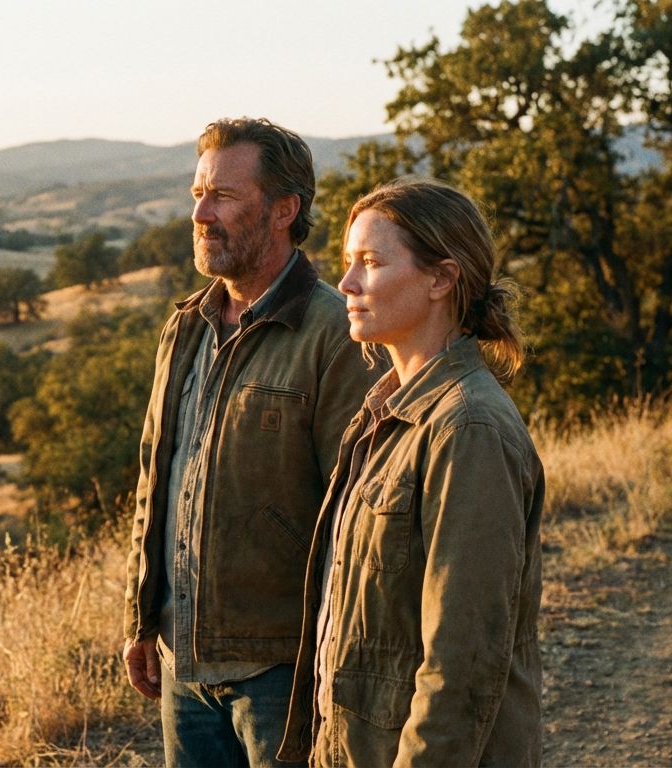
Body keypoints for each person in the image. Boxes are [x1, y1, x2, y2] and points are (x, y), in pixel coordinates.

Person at [121, 117, 385, 767]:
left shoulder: (336, 334)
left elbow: (359, 518)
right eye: (197, 195)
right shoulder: (186, 325)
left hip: (282, 672)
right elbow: (156, 478)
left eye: (222, 196)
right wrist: (140, 618)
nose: (200, 214)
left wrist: (339, 664)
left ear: (283, 210)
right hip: (181, 665)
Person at [277, 177, 544, 767]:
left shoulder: (467, 428)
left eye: (371, 263)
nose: (346, 283)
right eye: (348, 261)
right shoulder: (385, 411)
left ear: (441, 279)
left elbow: (463, 661)